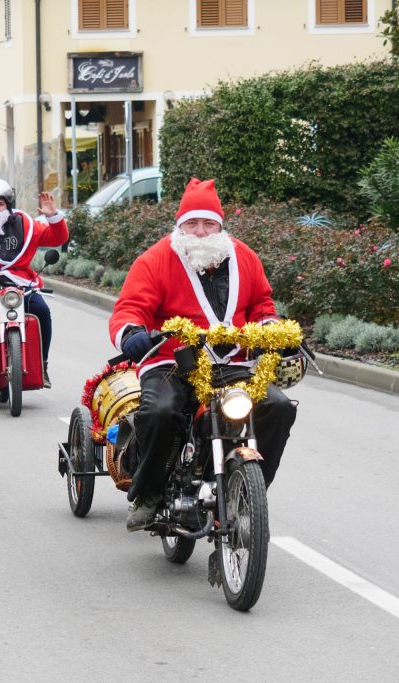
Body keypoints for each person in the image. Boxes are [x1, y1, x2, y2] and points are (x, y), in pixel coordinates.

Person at [109, 178, 297, 531]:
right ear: (180, 226)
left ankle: (250, 489)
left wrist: (271, 326)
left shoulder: (245, 257)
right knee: (161, 411)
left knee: (279, 407)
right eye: (191, 223)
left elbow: (262, 304)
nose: (199, 231)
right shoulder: (156, 259)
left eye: (208, 223)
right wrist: (132, 333)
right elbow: (130, 308)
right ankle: (148, 494)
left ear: (220, 226)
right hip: (172, 361)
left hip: (233, 365)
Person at [0, 178, 67, 390]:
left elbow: (56, 238)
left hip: (21, 281)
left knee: (42, 311)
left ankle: (42, 366)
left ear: (8, 204)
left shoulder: (24, 224)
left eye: (0, 204)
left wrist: (53, 216)